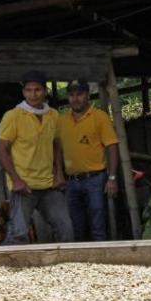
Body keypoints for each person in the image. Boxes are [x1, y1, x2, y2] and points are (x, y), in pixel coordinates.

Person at [0, 70, 73, 244]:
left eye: (37, 90)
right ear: (24, 92)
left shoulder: (53, 115)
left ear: (45, 91)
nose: (33, 94)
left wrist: (59, 173)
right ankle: (8, 268)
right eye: (29, 90)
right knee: (18, 234)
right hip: (24, 185)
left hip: (48, 184)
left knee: (66, 229)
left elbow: (56, 144)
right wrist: (16, 180)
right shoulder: (13, 116)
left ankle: (64, 267)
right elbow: (2, 150)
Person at [56, 79, 119, 241]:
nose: (75, 99)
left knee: (98, 225)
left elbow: (112, 147)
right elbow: (57, 148)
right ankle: (82, 264)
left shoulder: (99, 117)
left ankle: (102, 261)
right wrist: (59, 174)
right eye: (71, 95)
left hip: (95, 179)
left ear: (87, 95)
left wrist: (112, 177)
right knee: (76, 227)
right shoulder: (62, 121)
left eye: (79, 94)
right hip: (71, 181)